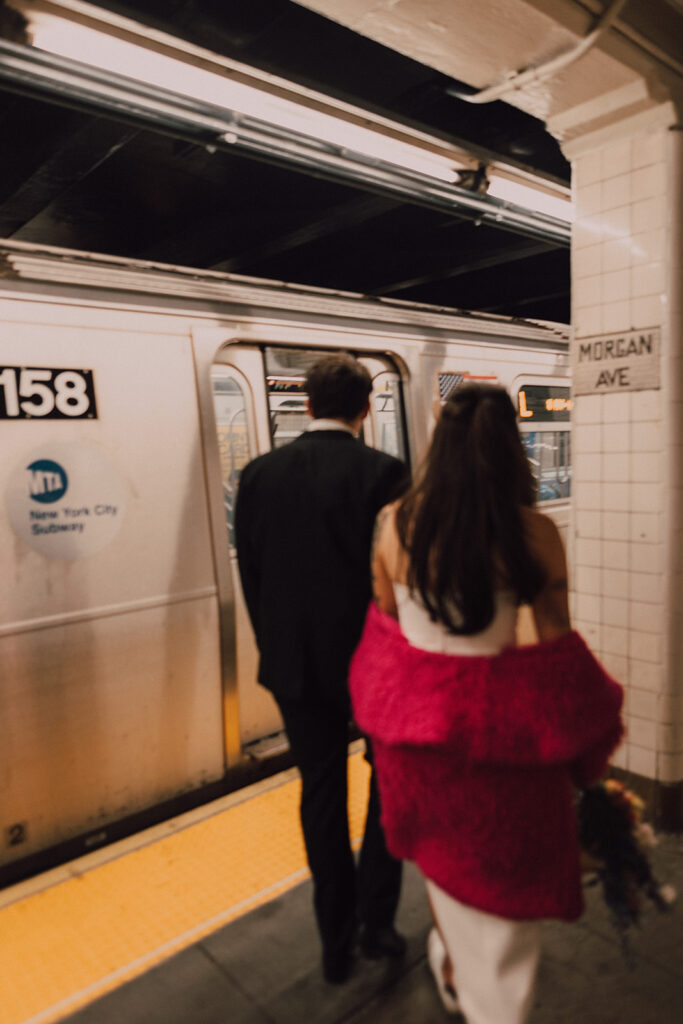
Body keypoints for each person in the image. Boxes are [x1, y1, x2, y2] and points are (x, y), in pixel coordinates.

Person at [349, 383, 624, 1023]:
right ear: (512, 451)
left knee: (446, 873)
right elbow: (557, 661)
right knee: (507, 904)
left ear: (438, 447)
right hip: (505, 757)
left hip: (419, 752)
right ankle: (491, 1008)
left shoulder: (395, 525)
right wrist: (587, 756)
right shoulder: (535, 535)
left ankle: (453, 966)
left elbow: (388, 634)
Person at [234, 353, 408, 984]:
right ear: (365, 408)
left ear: (306, 404)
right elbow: (400, 582)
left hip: (295, 670)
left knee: (321, 796)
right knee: (388, 790)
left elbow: (252, 577)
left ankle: (335, 942)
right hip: (375, 667)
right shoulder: (386, 474)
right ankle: (378, 923)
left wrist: (277, 646)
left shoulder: (257, 476)